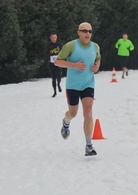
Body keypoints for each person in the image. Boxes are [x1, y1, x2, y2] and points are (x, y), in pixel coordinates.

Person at [54, 22, 101, 156]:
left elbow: (98, 59)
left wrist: (96, 66)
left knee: (88, 112)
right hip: (73, 86)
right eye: (84, 31)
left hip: (88, 84)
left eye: (90, 31)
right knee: (73, 113)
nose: (87, 34)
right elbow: (57, 61)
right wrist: (73, 65)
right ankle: (66, 121)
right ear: (78, 32)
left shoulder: (95, 46)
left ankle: (88, 145)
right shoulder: (70, 46)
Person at [46, 32, 63, 97]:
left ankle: (58, 84)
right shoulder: (48, 45)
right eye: (53, 38)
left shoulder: (59, 45)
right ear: (50, 38)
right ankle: (55, 92)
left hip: (58, 63)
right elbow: (46, 53)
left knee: (59, 76)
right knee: (53, 78)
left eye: (55, 37)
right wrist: (49, 58)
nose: (54, 39)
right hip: (51, 63)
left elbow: (63, 53)